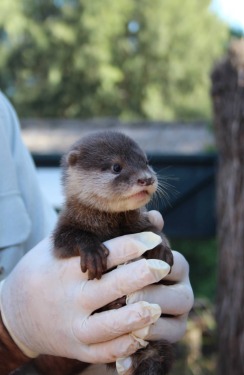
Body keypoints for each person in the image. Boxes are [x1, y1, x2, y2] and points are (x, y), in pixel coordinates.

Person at [0, 91, 194, 375]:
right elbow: (63, 242)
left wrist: (160, 252)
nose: (146, 176)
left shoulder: (2, 115)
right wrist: (12, 329)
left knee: (152, 356)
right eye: (117, 168)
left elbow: (54, 293)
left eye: (145, 164)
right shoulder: (76, 218)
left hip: (115, 347)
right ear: (75, 169)